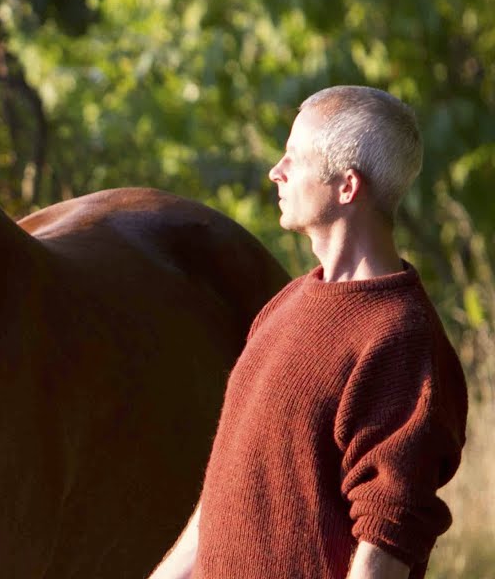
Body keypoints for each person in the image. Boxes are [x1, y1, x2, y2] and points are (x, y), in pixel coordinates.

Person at [149, 86, 468, 579]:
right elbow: (226, 495)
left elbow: (386, 538)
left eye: (293, 158)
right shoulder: (288, 303)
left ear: (347, 187)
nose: (276, 171)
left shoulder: (400, 339)